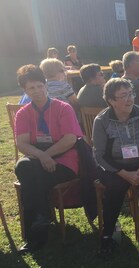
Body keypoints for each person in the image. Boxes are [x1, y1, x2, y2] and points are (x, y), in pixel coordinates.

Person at [13, 65, 84, 254]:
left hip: (64, 160)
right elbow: (22, 143)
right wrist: (43, 156)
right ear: (25, 91)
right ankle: (42, 217)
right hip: (39, 159)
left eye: (39, 86)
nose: (36, 91)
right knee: (23, 166)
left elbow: (70, 139)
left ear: (45, 84)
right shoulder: (24, 113)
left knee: (30, 182)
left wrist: (48, 155)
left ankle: (34, 235)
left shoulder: (63, 108)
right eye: (31, 88)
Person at [92, 78, 139, 257]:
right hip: (115, 166)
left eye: (130, 94)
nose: (129, 99)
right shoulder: (102, 120)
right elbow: (99, 155)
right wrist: (123, 173)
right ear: (111, 101)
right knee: (115, 189)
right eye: (123, 96)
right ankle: (107, 236)